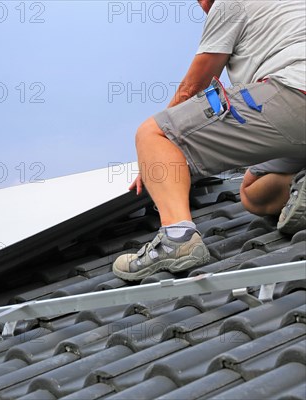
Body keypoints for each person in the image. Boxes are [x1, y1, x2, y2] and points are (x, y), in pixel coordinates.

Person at [112, 0, 306, 281]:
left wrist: (157, 154)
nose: (202, 5)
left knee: (154, 133)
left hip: (292, 93)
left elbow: (198, 80)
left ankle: (177, 238)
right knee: (252, 191)